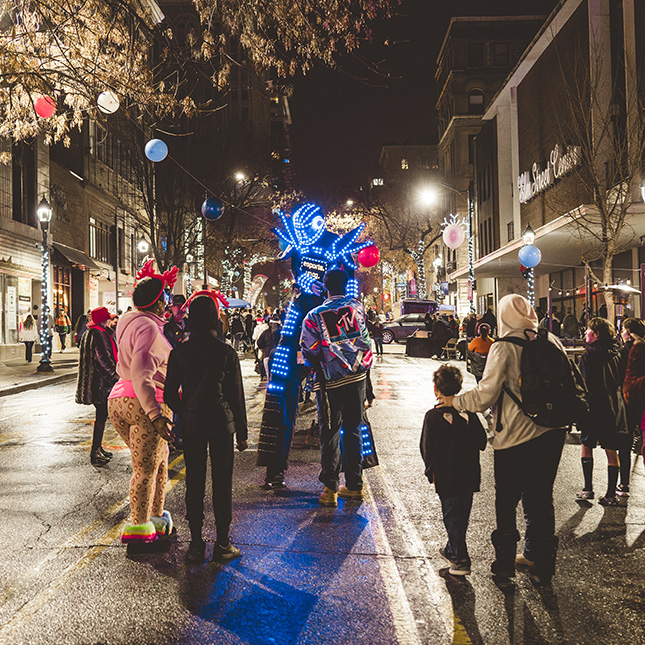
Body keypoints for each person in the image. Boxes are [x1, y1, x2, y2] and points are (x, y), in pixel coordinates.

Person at [438, 294, 566, 586]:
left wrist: (453, 402)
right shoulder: (551, 341)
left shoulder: (504, 347)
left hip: (514, 436)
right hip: (552, 433)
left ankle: (505, 565)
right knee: (541, 497)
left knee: (507, 500)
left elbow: (485, 396)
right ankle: (540, 561)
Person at [165, 293, 248, 564]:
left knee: (195, 483)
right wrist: (243, 433)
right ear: (214, 318)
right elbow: (236, 395)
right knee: (222, 484)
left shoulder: (179, 352)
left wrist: (185, 408)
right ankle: (223, 542)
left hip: (192, 424)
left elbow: (168, 394)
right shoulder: (226, 352)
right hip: (221, 422)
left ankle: (196, 543)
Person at [107, 262, 177, 554]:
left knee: (159, 462)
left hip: (119, 398)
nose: (169, 304)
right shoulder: (148, 328)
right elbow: (142, 372)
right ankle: (138, 529)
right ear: (158, 301)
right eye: (167, 298)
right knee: (146, 468)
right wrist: (155, 415)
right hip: (144, 401)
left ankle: (157, 519)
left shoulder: (129, 320)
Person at [300, 269, 373, 507]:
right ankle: (354, 486)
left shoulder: (314, 315)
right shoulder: (357, 308)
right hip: (357, 379)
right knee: (353, 429)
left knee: (330, 433)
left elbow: (308, 349)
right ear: (347, 286)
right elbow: (365, 341)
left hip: (329, 382)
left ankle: (330, 488)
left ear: (325, 287)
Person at [421, 365, 486, 576]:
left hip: (446, 475)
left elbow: (426, 448)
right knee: (462, 516)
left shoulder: (432, 416)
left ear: (435, 388)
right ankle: (451, 549)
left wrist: (430, 471)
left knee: (451, 516)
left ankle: (461, 559)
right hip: (469, 473)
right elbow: (482, 441)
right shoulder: (469, 414)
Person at [576, 318, 627, 507]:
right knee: (611, 451)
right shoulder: (617, 354)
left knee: (586, 444)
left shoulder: (588, 356)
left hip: (592, 408)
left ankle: (588, 488)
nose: (585, 334)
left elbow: (583, 383)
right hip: (611, 408)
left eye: (588, 330)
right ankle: (610, 494)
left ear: (595, 334)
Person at [76, 307, 119, 466]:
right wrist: (115, 378)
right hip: (100, 384)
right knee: (101, 417)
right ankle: (95, 452)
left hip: (94, 383)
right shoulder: (99, 334)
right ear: (104, 320)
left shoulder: (91, 332)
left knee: (101, 417)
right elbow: (103, 361)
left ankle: (98, 448)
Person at [617, 318, 645, 495]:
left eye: (622, 329)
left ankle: (624, 483)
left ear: (628, 332)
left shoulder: (625, 351)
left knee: (624, 442)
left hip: (628, 400)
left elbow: (620, 377)